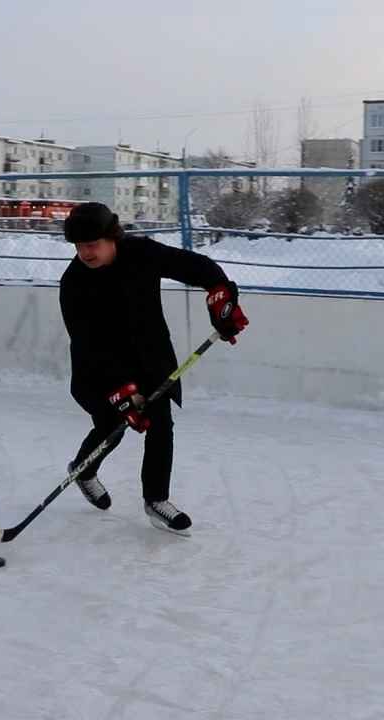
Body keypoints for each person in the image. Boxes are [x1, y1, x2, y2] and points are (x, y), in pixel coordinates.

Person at [60, 202, 249, 535]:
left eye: (92, 244)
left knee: (161, 424)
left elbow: (196, 266)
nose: (85, 253)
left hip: (150, 358)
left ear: (112, 237)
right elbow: (86, 344)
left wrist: (220, 293)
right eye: (78, 246)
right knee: (109, 426)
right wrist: (118, 389)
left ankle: (156, 499)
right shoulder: (74, 283)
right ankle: (84, 469)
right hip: (100, 370)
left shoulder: (141, 253)